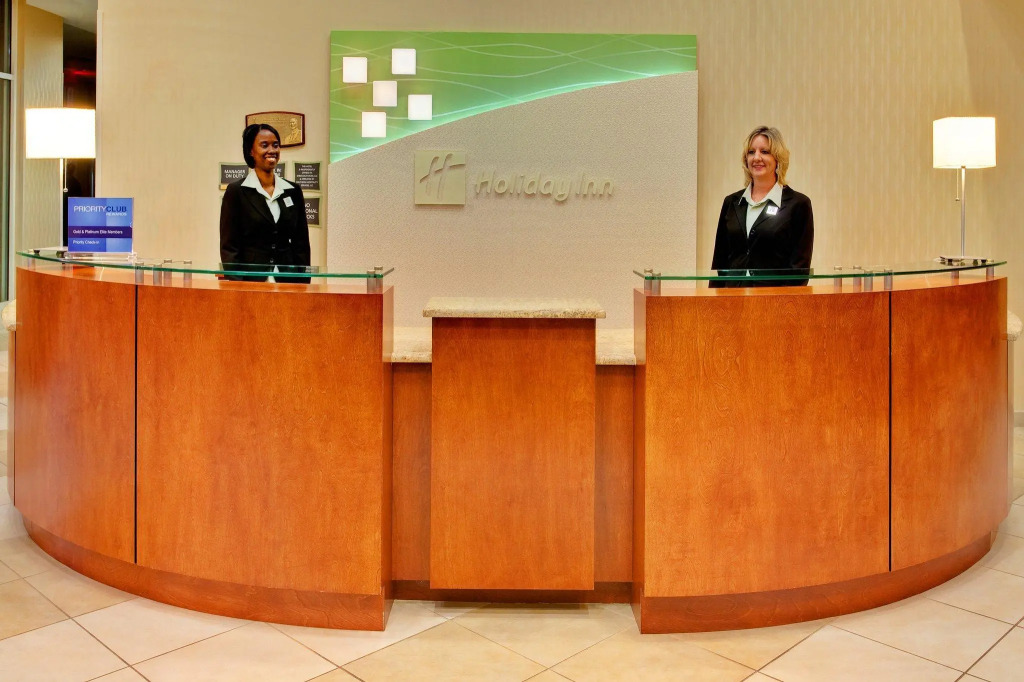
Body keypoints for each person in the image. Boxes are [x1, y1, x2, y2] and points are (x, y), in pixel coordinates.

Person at [710, 126, 813, 287]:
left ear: (778, 159)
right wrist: (713, 299)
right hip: (732, 297)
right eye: (751, 152)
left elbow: (799, 271)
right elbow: (720, 261)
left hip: (773, 299)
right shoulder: (731, 203)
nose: (757, 157)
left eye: (765, 152)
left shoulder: (798, 205)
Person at [220, 123, 311, 282]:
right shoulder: (236, 192)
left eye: (275, 145)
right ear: (251, 151)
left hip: (287, 283)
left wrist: (303, 283)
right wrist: (237, 287)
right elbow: (229, 247)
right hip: (251, 284)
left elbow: (301, 245)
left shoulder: (293, 191)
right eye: (264, 145)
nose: (272, 150)